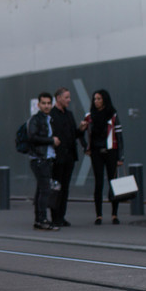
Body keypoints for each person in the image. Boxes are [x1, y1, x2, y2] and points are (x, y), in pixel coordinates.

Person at [81, 89, 124, 225]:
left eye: (99, 99)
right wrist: (86, 147)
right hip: (96, 152)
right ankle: (98, 215)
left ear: (105, 99)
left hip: (111, 151)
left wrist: (120, 157)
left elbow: (119, 136)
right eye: (95, 99)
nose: (96, 101)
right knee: (98, 183)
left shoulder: (113, 115)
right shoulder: (89, 116)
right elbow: (81, 133)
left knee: (113, 182)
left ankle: (114, 214)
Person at [49, 87, 86, 227]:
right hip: (57, 157)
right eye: (66, 97)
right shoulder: (52, 114)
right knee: (56, 187)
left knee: (65, 188)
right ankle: (55, 217)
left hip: (69, 156)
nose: (69, 100)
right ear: (58, 98)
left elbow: (73, 134)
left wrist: (81, 130)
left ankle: (61, 216)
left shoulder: (69, 114)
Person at [28, 92, 61, 231]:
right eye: (44, 103)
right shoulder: (36, 119)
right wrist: (51, 140)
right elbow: (33, 137)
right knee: (45, 190)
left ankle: (39, 219)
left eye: (49, 103)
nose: (47, 106)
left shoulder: (48, 119)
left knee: (41, 190)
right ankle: (42, 220)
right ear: (39, 104)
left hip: (46, 158)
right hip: (39, 159)